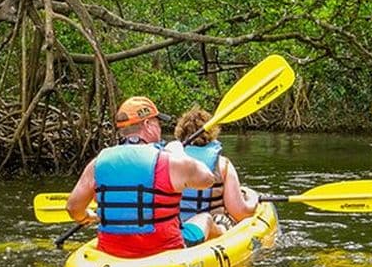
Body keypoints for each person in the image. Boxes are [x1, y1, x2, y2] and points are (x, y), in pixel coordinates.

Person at [65, 96, 218, 258]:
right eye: (157, 123)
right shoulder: (169, 161)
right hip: (165, 251)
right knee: (205, 218)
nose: (160, 128)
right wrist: (178, 151)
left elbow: (73, 208)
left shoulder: (97, 163)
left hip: (112, 253)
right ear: (147, 124)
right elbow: (208, 179)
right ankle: (224, 232)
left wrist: (87, 216)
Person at [167, 107, 258, 239]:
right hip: (214, 228)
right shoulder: (222, 164)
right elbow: (240, 212)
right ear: (212, 133)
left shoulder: (169, 161)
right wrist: (253, 199)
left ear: (180, 133)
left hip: (177, 226)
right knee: (226, 220)